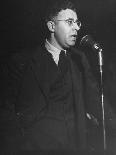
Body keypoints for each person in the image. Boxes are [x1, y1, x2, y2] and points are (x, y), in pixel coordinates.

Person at [5, 0, 103, 154]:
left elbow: (96, 100)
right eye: (70, 22)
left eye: (77, 22)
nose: (77, 28)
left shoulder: (79, 59)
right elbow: (6, 110)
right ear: (51, 26)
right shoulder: (22, 61)